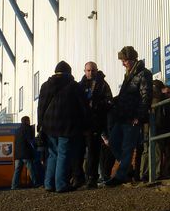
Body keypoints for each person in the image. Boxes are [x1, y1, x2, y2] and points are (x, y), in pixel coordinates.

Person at [37, 61, 88, 193]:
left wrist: (40, 125)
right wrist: (86, 124)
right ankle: (61, 184)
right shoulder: (74, 86)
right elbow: (83, 107)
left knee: (53, 154)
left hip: (49, 126)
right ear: (69, 72)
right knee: (63, 154)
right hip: (67, 126)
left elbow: (41, 107)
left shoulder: (45, 86)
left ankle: (48, 184)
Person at [105, 46, 152, 186]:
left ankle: (121, 175)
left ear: (131, 59)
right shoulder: (129, 74)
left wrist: (140, 115)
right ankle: (126, 169)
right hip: (122, 116)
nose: (123, 63)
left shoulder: (143, 74)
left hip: (132, 117)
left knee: (127, 147)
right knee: (113, 142)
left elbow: (146, 96)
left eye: (124, 60)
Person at [78, 62, 113, 189]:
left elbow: (110, 101)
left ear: (96, 70)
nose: (90, 73)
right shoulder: (80, 85)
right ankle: (80, 178)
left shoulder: (102, 85)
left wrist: (98, 105)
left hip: (96, 123)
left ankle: (92, 178)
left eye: (92, 70)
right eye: (88, 70)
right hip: (82, 124)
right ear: (84, 70)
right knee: (80, 153)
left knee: (93, 152)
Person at [12, 116, 37, 189]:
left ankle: (14, 185)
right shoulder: (28, 129)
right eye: (29, 120)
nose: (30, 122)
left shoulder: (17, 130)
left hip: (17, 155)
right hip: (25, 154)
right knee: (31, 169)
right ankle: (35, 183)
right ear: (26, 121)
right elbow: (30, 141)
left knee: (17, 171)